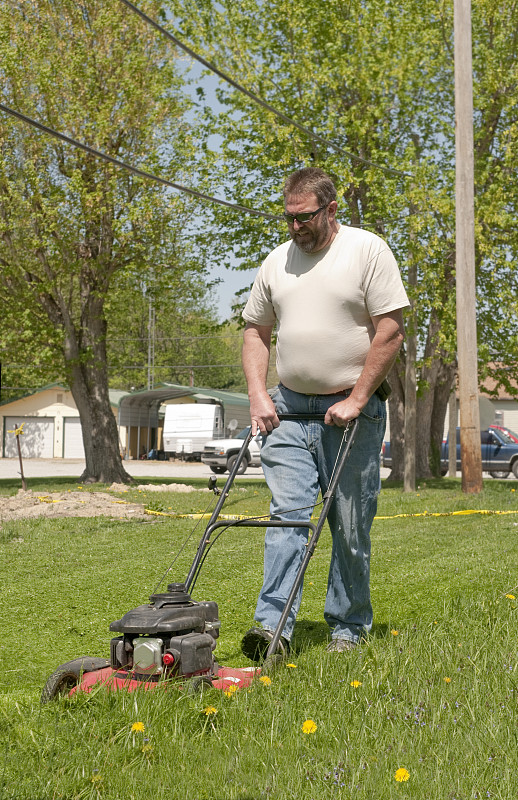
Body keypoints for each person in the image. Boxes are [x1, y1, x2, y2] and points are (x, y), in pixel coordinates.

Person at [240, 167, 409, 658]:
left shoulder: (367, 250)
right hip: (288, 410)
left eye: (305, 217)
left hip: (352, 411)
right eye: (288, 218)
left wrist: (356, 398)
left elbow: (390, 331)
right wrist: (258, 394)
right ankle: (273, 629)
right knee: (286, 519)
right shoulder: (276, 262)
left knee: (350, 525)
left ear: (331, 210)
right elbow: (255, 331)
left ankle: (348, 627)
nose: (295, 227)